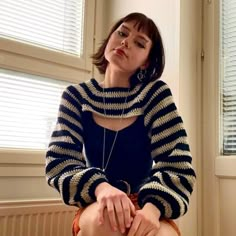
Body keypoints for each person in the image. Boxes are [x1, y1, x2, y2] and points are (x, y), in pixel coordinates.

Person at [45, 12, 196, 236]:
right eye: (122, 33)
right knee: (104, 221)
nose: (125, 42)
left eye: (139, 43)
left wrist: (152, 211)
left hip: (148, 203)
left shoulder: (155, 95)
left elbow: (177, 163)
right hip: (97, 200)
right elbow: (60, 161)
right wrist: (102, 188)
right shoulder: (76, 96)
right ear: (109, 40)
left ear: (146, 61)